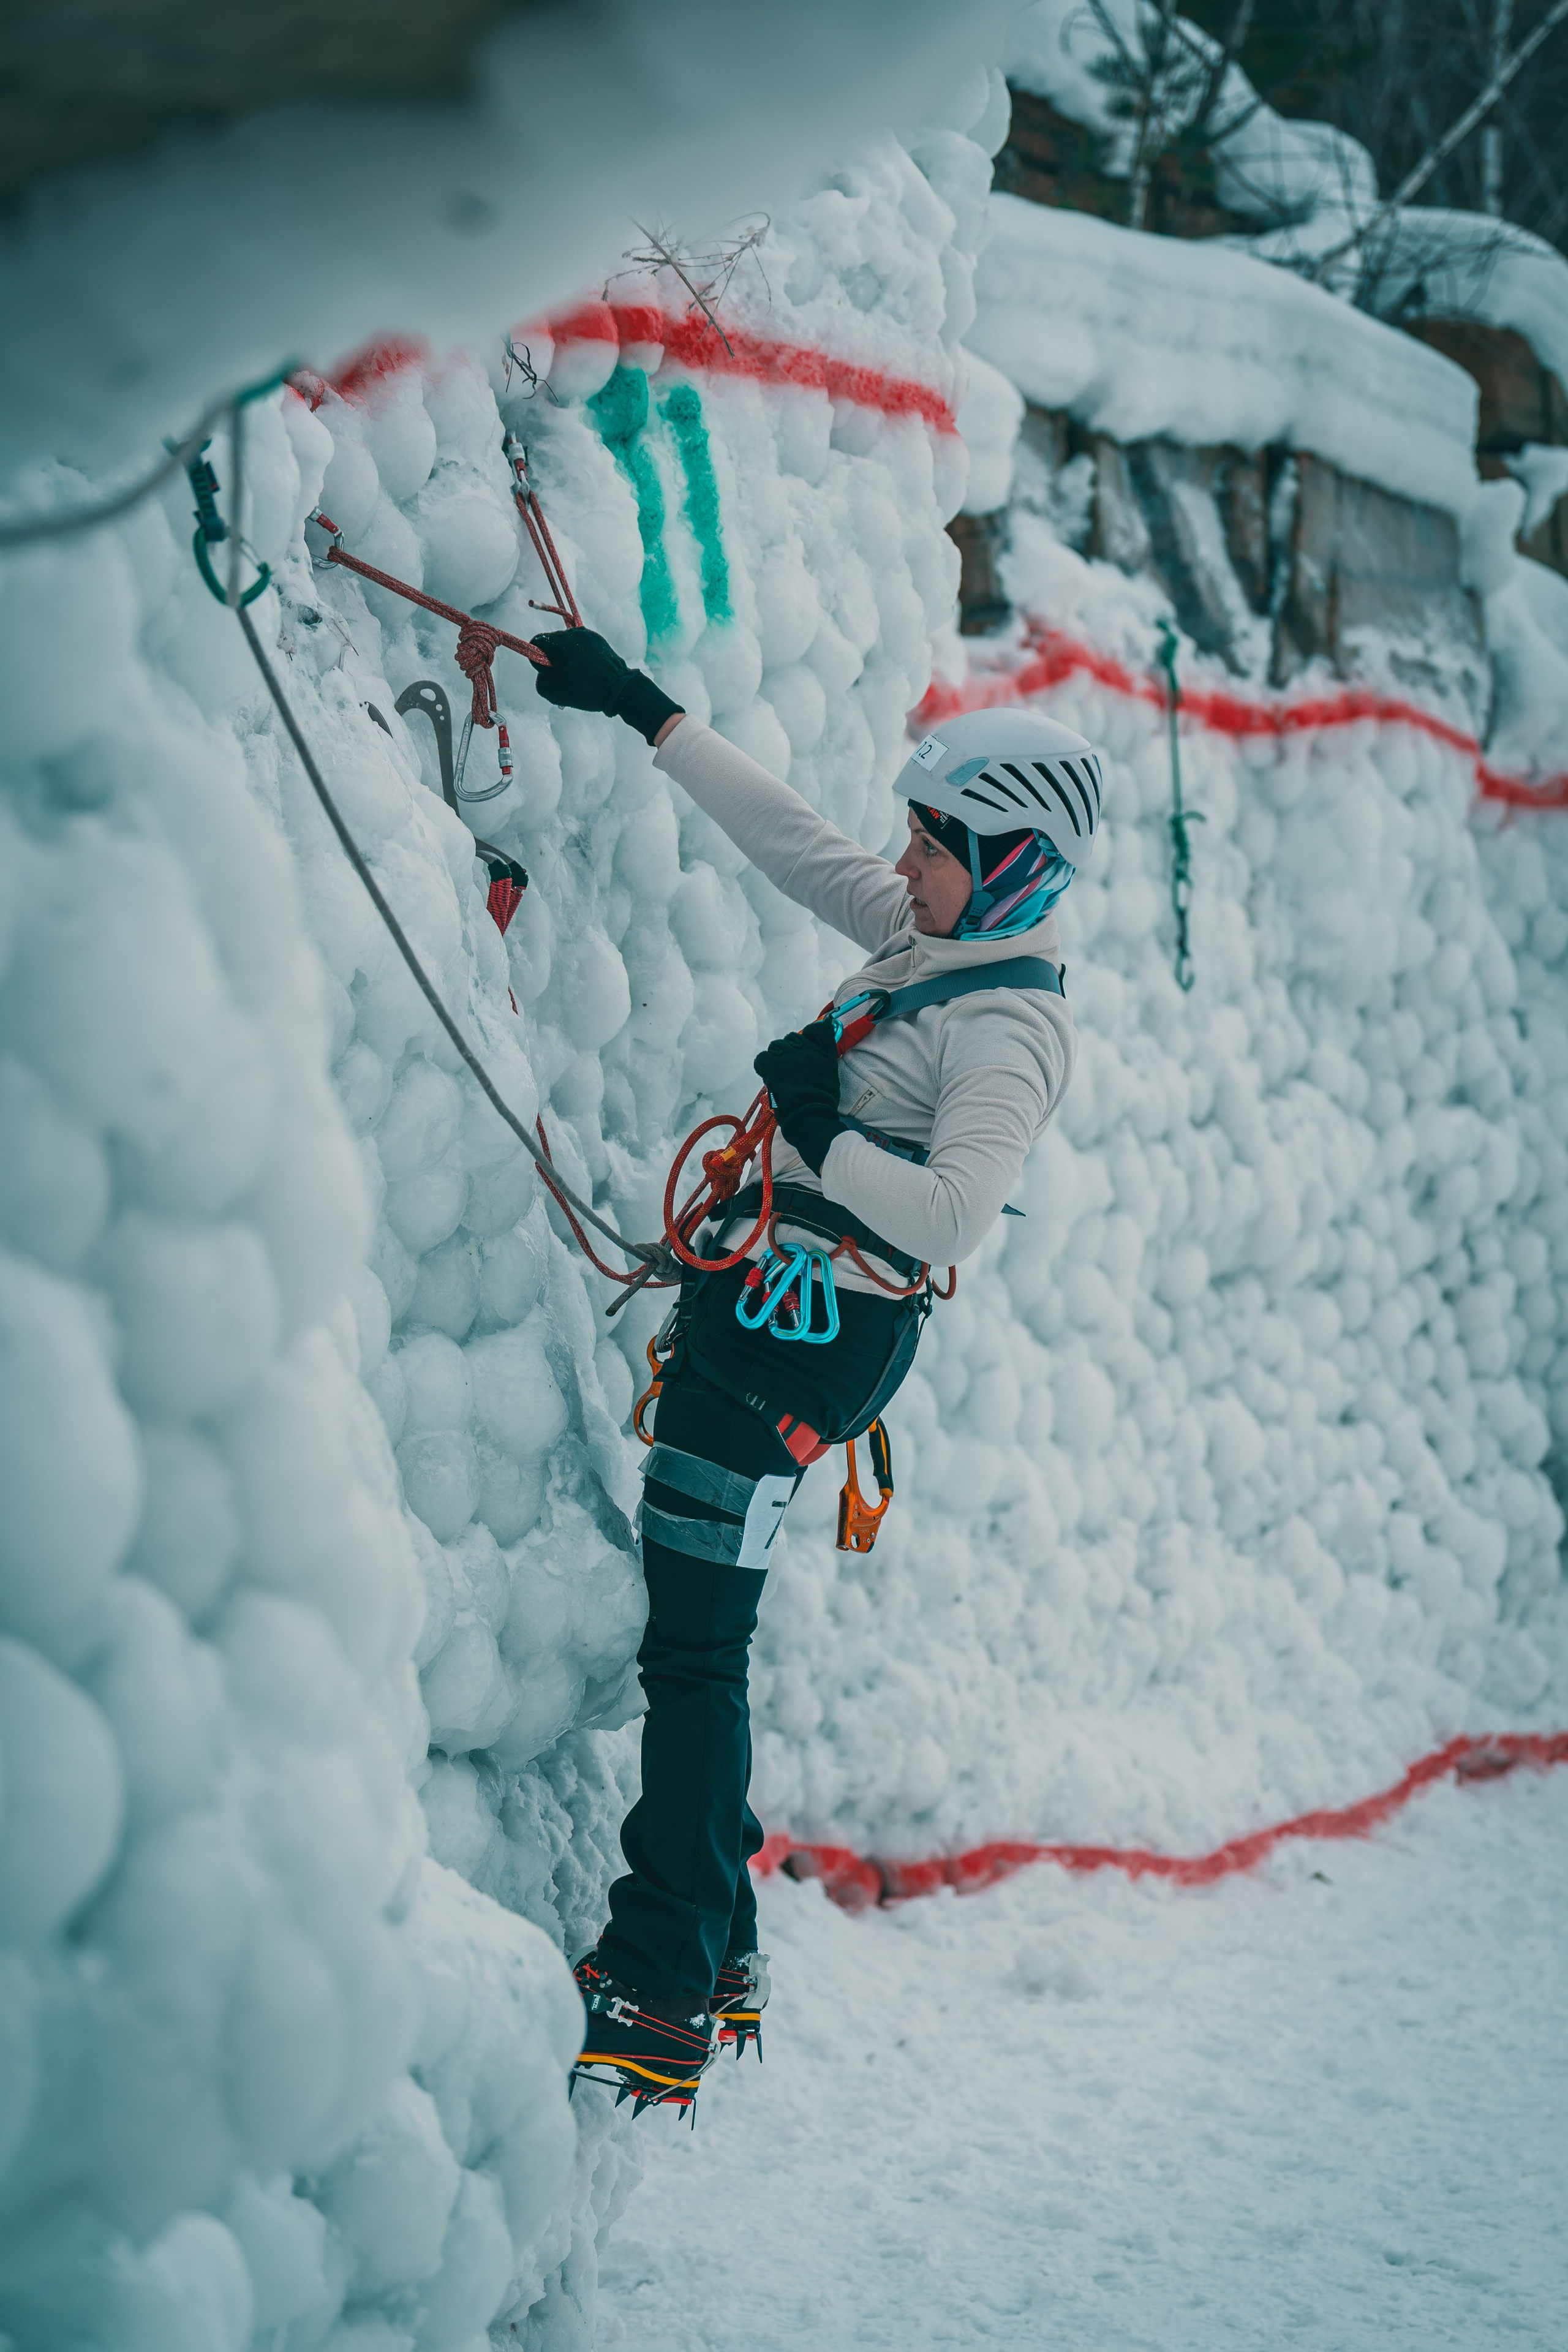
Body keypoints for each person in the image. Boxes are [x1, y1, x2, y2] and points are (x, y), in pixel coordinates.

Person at [529, 627, 1104, 2113]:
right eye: (916, 838)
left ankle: (661, 1980)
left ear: (1015, 862)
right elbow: (790, 841)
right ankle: (711, 1951)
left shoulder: (1006, 1022)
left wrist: (821, 1129)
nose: (904, 861)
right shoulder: (931, 940)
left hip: (801, 1341)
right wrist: (646, 712)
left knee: (693, 1653)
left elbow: (949, 1210)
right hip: (772, 1324)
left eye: (935, 844)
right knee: (697, 1646)